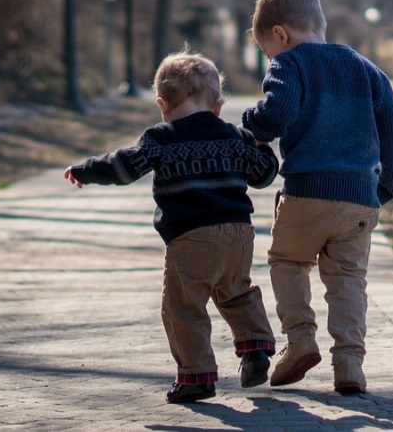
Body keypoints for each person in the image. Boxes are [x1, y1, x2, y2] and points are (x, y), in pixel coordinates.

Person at [63, 50, 280, 404]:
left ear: (161, 103)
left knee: (183, 307)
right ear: (217, 105)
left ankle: (196, 376)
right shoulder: (234, 135)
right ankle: (255, 349)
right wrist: (263, 145)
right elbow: (263, 175)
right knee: (237, 292)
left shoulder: (160, 138)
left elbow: (124, 168)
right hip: (239, 235)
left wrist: (87, 170)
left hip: (191, 237)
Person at [242, 0, 393, 394]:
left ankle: (299, 341)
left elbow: (275, 115)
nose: (268, 57)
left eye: (266, 50)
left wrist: (250, 123)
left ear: (281, 34)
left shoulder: (289, 63)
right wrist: (386, 184)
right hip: (359, 199)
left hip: (306, 193)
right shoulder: (363, 67)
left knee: (287, 262)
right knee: (349, 279)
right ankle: (349, 364)